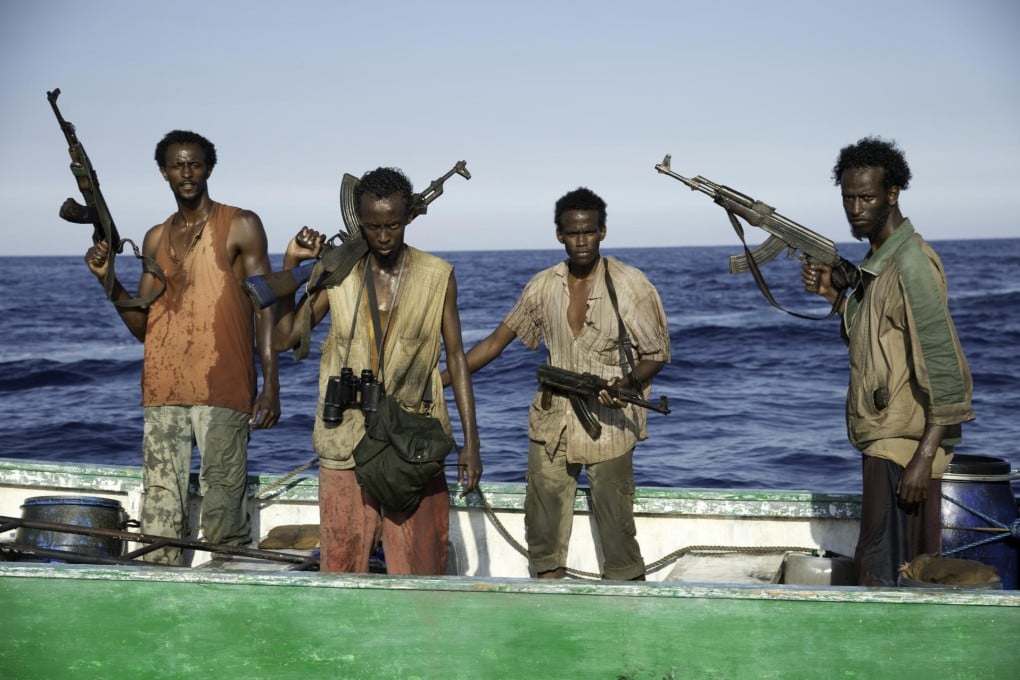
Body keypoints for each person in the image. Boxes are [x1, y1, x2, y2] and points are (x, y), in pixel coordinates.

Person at [444, 187, 670, 580]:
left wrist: (625, 383)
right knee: (543, 531)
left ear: (602, 232)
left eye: (588, 232)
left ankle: (626, 609)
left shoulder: (630, 286)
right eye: (572, 233)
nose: (580, 241)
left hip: (611, 425)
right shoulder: (544, 286)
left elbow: (657, 353)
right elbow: (496, 342)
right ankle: (549, 596)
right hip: (551, 421)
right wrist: (440, 380)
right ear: (559, 236)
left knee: (617, 528)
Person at [84, 130, 280, 565]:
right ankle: (159, 602)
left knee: (224, 508)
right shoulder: (155, 238)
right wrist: (107, 280)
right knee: (159, 515)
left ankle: (227, 599)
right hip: (163, 389)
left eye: (194, 164)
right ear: (164, 173)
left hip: (222, 387)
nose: (186, 173)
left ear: (209, 168)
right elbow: (144, 327)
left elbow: (266, 304)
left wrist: (271, 384)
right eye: (177, 165)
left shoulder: (241, 224)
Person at [273, 166, 482, 575]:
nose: (383, 237)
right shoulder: (338, 273)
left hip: (414, 443)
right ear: (360, 223)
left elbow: (456, 358)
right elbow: (284, 336)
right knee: (342, 565)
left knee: (421, 568)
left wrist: (470, 443)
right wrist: (291, 265)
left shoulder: (438, 276)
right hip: (345, 439)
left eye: (393, 225)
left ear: (408, 218)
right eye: (372, 227)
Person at [802, 137, 974, 586]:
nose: (855, 208)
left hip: (906, 448)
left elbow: (944, 364)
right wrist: (835, 297)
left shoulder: (912, 263)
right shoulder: (877, 265)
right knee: (889, 566)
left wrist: (925, 455)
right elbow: (873, 346)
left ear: (892, 194)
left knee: (883, 566)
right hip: (884, 440)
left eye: (867, 197)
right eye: (848, 198)